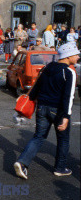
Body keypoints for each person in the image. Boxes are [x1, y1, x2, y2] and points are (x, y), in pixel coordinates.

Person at [14, 43, 79, 179]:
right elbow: (68, 97)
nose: (78, 57)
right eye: (76, 54)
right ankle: (60, 168)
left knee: (39, 136)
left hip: (42, 107)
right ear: (69, 56)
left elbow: (36, 88)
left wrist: (28, 100)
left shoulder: (47, 67)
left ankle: (22, 162)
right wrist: (66, 116)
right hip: (58, 111)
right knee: (63, 139)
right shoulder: (69, 72)